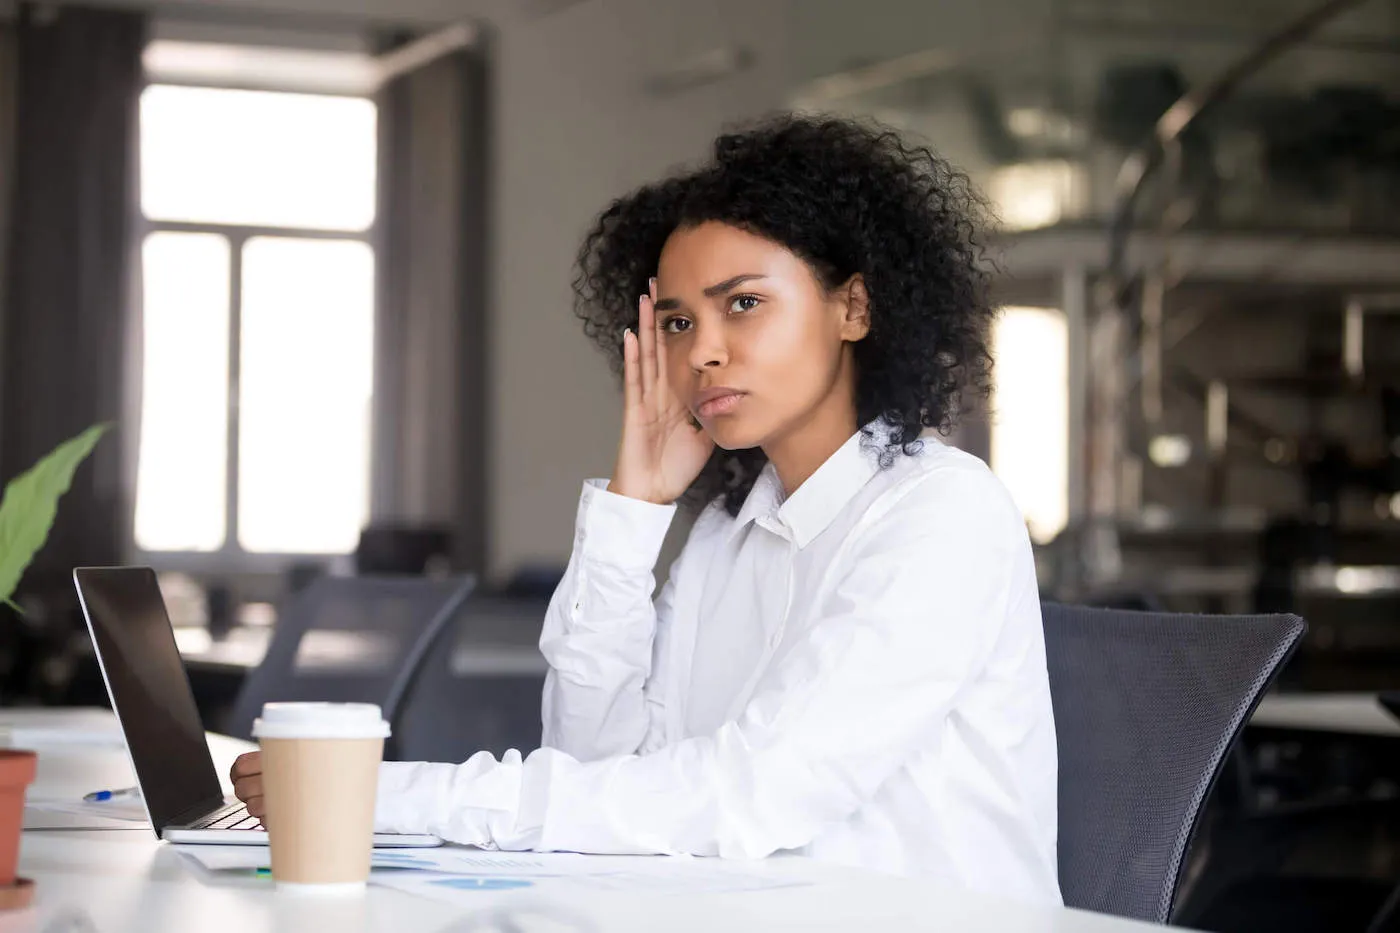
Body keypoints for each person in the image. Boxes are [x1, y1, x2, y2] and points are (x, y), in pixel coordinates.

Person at [230, 114, 1061, 905]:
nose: (701, 350)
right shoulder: (726, 536)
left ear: (853, 306)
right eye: (676, 319)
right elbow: (594, 762)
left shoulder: (943, 514)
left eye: (743, 303)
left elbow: (747, 796)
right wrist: (633, 510)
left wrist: (385, 793)